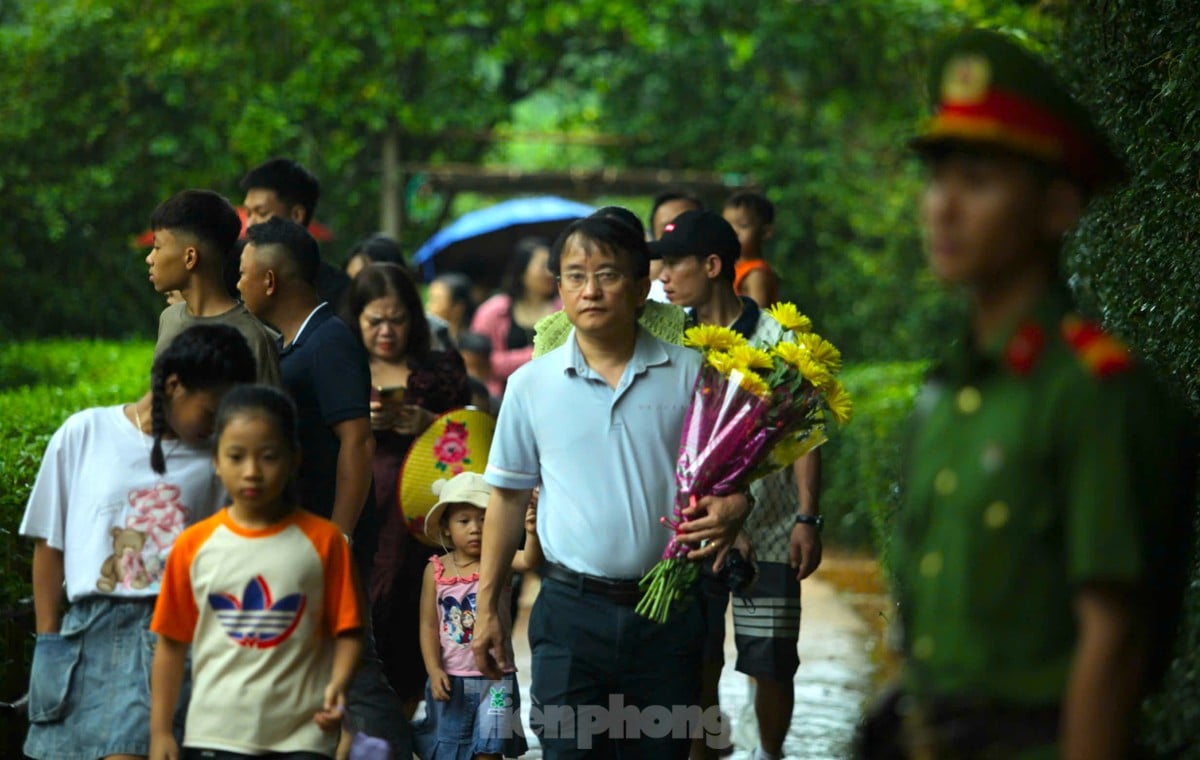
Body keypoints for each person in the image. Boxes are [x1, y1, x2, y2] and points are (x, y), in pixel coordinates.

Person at [856, 30, 1198, 760]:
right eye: (937, 179)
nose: (943, 208)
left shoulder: (1094, 393)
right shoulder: (950, 392)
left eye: (977, 182)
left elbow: (1114, 643)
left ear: (1057, 207)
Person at [472, 211, 753, 758]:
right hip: (570, 614)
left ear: (642, 285)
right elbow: (506, 501)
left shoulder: (695, 373)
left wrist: (737, 504)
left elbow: (729, 479)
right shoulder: (530, 385)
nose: (590, 290)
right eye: (575, 275)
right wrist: (489, 610)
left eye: (608, 274)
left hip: (666, 614)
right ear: (559, 288)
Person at [19, 324, 256, 760]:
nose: (215, 426)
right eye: (209, 412)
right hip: (79, 637)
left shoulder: (220, 462)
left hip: (162, 635)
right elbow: (49, 547)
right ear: (173, 385)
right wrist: (48, 640)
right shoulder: (83, 433)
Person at [653, 210, 823, 760]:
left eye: (674, 263)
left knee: (770, 658)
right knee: (697, 658)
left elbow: (808, 435)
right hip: (694, 527)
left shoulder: (780, 339)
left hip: (772, 528)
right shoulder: (670, 339)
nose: (663, 277)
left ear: (712, 265)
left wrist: (806, 517)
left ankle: (770, 754)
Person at [238, 217, 411, 756]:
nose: (237, 285)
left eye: (242, 274)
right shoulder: (294, 344)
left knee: (354, 667)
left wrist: (337, 536)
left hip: (328, 538)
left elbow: (356, 443)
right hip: (304, 535)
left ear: (269, 281)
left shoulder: (330, 340)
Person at [149, 385, 363, 760]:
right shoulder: (193, 545)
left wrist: (337, 686)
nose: (251, 472)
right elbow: (170, 643)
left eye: (268, 457)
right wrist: (161, 731)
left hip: (304, 736)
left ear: (293, 459)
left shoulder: (324, 541)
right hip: (216, 734)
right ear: (216, 461)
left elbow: (347, 630)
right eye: (236, 456)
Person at [341, 261, 471, 717]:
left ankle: (402, 709)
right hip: (359, 498)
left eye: (397, 319)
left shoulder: (436, 370)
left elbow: (471, 436)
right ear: (356, 318)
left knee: (406, 598)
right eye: (374, 320)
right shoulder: (343, 366)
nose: (386, 331)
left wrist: (430, 425)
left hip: (419, 512)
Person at [414, 472, 539, 760]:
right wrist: (434, 670)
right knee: (451, 748)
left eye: (484, 518)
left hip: (497, 679)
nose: (476, 529)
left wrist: (531, 532)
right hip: (452, 678)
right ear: (446, 528)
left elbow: (530, 560)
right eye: (464, 521)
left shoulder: (500, 562)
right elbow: (428, 625)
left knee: (490, 750)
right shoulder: (435, 571)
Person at [147, 189, 281, 385]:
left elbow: (265, 414)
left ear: (190, 257)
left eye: (157, 247)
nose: (149, 258)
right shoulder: (169, 319)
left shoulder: (253, 338)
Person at [240, 157, 351, 306]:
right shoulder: (234, 283)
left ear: (296, 215)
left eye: (261, 213)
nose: (250, 225)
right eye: (248, 214)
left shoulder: (338, 292)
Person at [470, 237, 560, 399]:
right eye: (543, 266)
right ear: (522, 271)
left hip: (556, 396)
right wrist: (540, 355)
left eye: (552, 266)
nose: (550, 273)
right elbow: (480, 361)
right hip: (503, 401)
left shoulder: (564, 309)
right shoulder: (492, 311)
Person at [723, 191, 779, 309]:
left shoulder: (756, 274)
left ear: (765, 232)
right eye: (727, 226)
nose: (733, 232)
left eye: (743, 225)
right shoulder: (732, 266)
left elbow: (756, 317)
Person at [647, 191, 703, 304]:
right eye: (667, 228)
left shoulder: (741, 284)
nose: (675, 233)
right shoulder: (645, 302)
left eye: (685, 226)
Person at [427, 272, 477, 346]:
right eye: (431, 299)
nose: (429, 306)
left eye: (436, 300)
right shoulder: (428, 340)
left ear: (458, 308)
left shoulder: (472, 347)